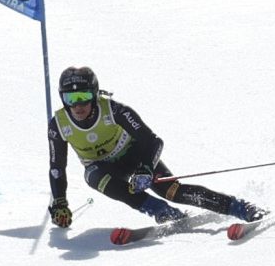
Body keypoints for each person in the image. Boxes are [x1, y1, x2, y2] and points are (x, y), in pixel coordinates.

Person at [46, 67, 262, 235]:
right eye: (70, 99)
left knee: (174, 191)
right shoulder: (59, 124)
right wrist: (59, 203)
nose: (78, 105)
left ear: (94, 94)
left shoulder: (114, 110)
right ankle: (162, 212)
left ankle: (240, 208)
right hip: (104, 168)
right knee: (93, 176)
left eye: (83, 96)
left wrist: (145, 169)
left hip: (136, 156)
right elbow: (57, 168)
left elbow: (153, 141)